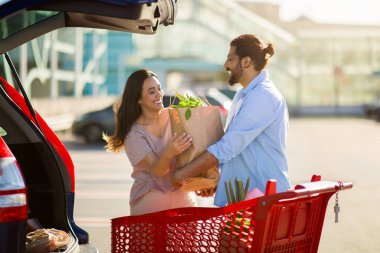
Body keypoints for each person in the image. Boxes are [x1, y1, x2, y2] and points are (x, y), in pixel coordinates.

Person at [173, 34, 291, 207]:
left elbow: (227, 147)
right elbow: (236, 151)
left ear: (246, 62)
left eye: (230, 59)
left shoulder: (262, 96)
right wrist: (217, 179)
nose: (226, 65)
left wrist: (182, 174)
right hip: (246, 200)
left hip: (265, 201)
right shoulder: (244, 95)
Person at [104, 69, 197, 215]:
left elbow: (195, 154)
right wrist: (169, 152)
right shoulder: (134, 134)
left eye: (159, 89)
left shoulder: (176, 116)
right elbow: (158, 171)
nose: (159, 94)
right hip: (149, 202)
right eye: (152, 91)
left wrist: (205, 181)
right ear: (138, 99)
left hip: (183, 197)